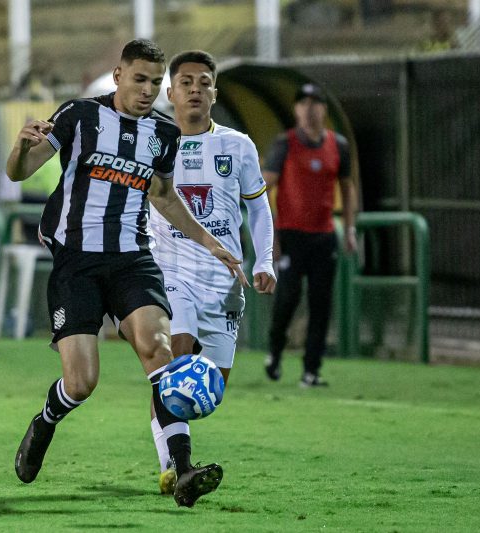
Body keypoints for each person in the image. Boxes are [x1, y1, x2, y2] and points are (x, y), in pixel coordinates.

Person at [6, 39, 247, 508]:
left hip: (132, 259)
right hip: (76, 261)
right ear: (118, 76)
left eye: (156, 83)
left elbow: (163, 196)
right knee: (81, 383)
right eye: (140, 80)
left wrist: (210, 242)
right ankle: (45, 422)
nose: (148, 90)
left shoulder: (163, 134)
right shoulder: (78, 116)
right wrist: (20, 145)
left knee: (160, 353)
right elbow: (20, 172)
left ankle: (182, 469)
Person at [148, 50, 277, 494]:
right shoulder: (153, 140)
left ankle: (176, 464)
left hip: (224, 283)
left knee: (209, 391)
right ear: (171, 92)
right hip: (170, 271)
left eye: (204, 82)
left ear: (215, 93)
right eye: (186, 82)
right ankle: (175, 469)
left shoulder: (237, 145)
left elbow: (258, 208)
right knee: (175, 364)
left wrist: (264, 260)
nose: (195, 89)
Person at [263, 82, 357, 387]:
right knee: (288, 298)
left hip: (323, 235)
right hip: (291, 235)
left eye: (315, 103)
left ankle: (311, 370)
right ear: (296, 110)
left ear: (323, 109)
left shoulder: (338, 144)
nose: (309, 109)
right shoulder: (285, 144)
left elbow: (348, 186)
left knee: (321, 304)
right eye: (303, 103)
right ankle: (275, 351)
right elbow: (265, 188)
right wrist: (271, 237)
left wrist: (350, 228)